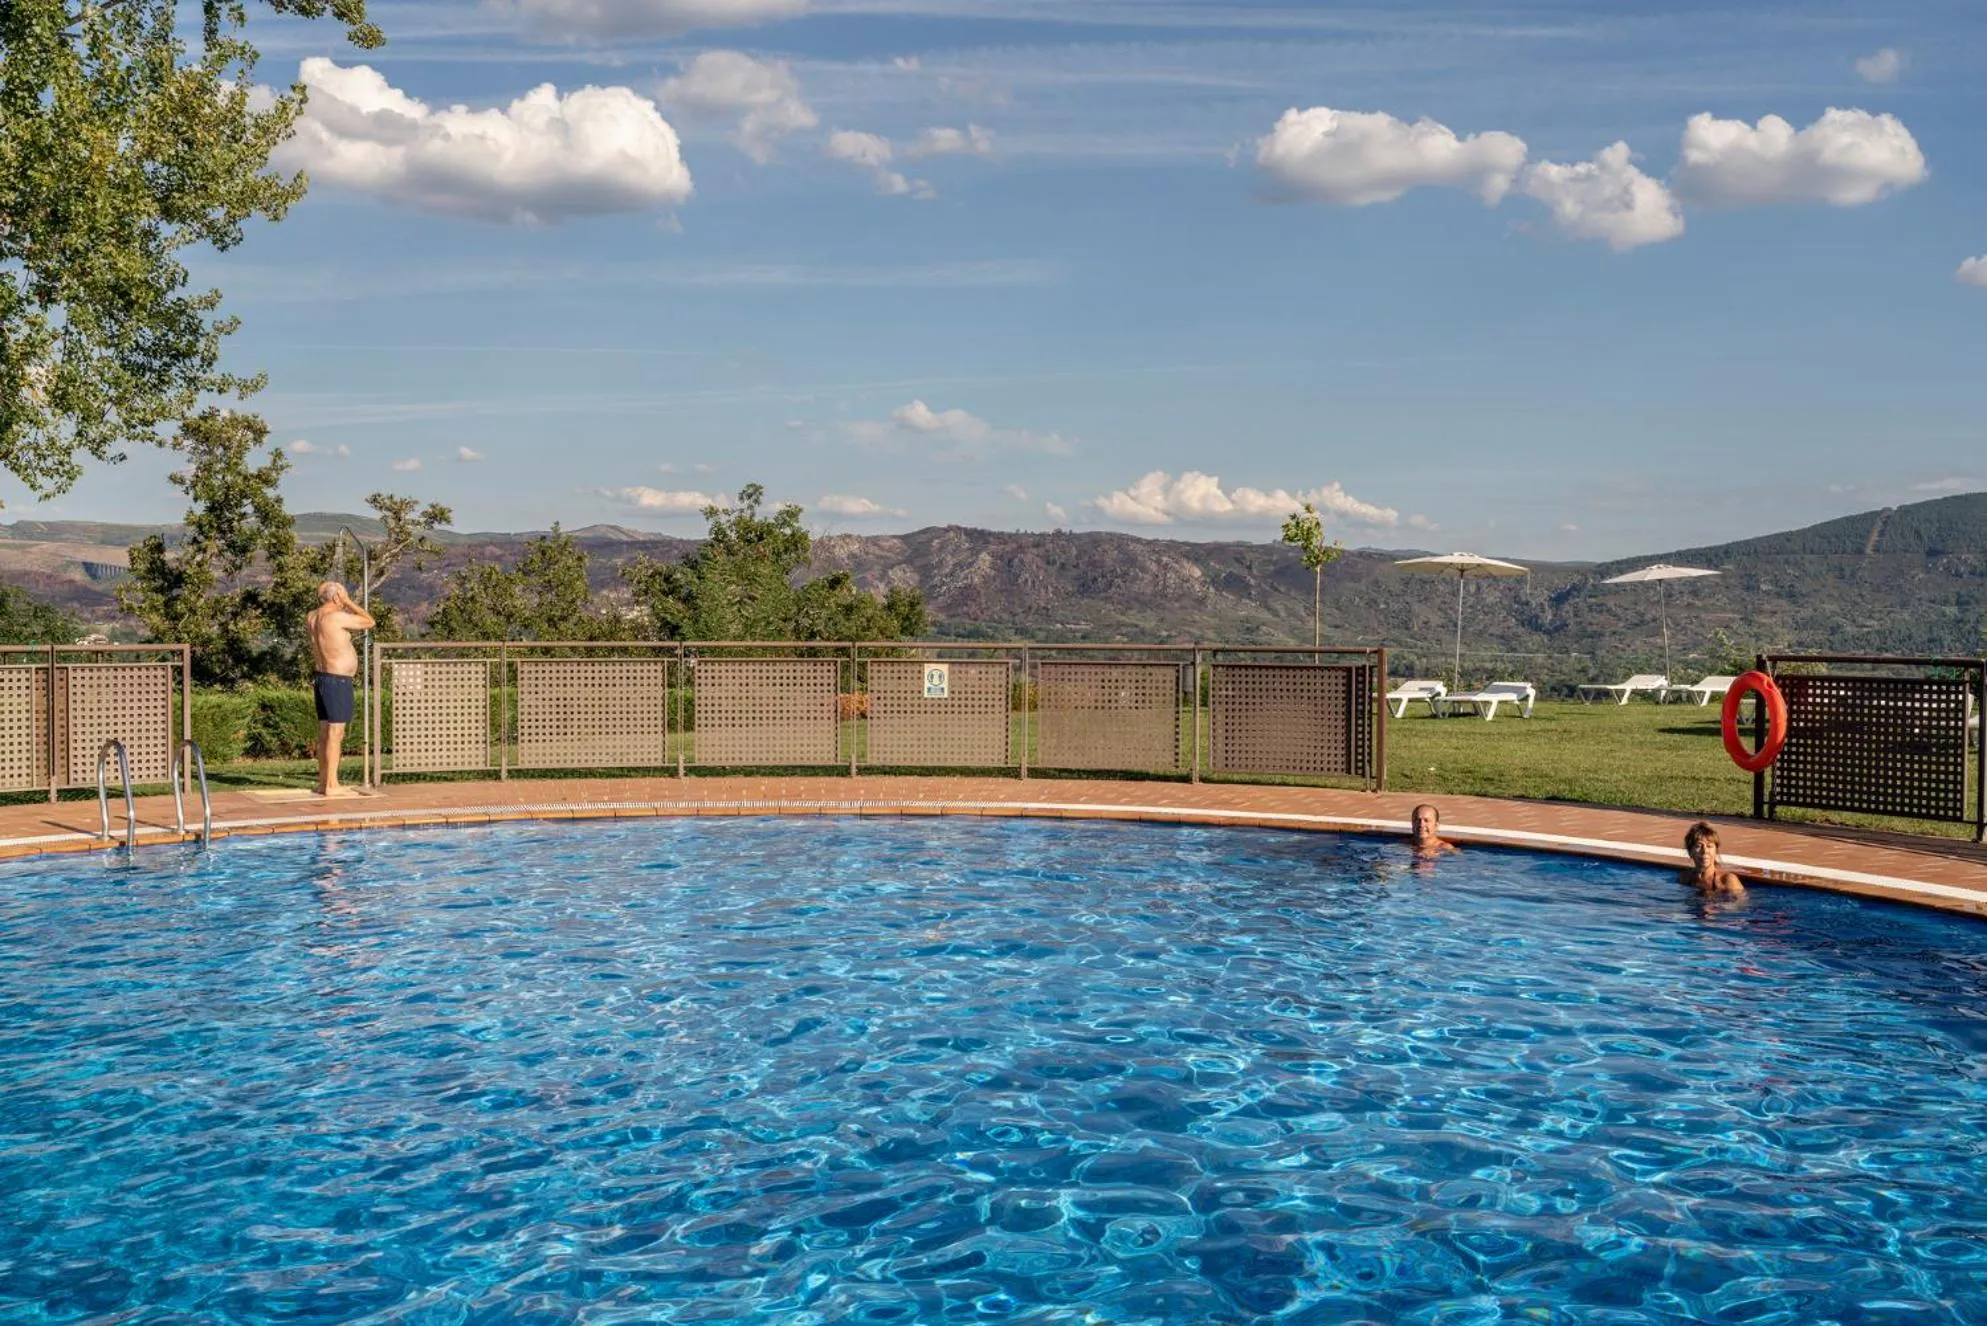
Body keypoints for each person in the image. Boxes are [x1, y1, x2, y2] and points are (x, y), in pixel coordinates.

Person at [307, 581, 374, 798]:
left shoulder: (312, 616)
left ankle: (324, 782)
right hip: (337, 680)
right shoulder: (336, 617)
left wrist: (340, 599)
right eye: (343, 596)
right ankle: (331, 786)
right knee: (335, 734)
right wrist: (348, 602)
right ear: (336, 598)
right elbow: (369, 621)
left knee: (325, 733)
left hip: (322, 678)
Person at [1681, 821, 1746, 896]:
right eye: (1699, 846)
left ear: (1716, 851)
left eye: (1709, 846)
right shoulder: (1685, 878)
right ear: (1690, 852)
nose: (1705, 851)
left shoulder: (1727, 880)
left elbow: (1742, 905)